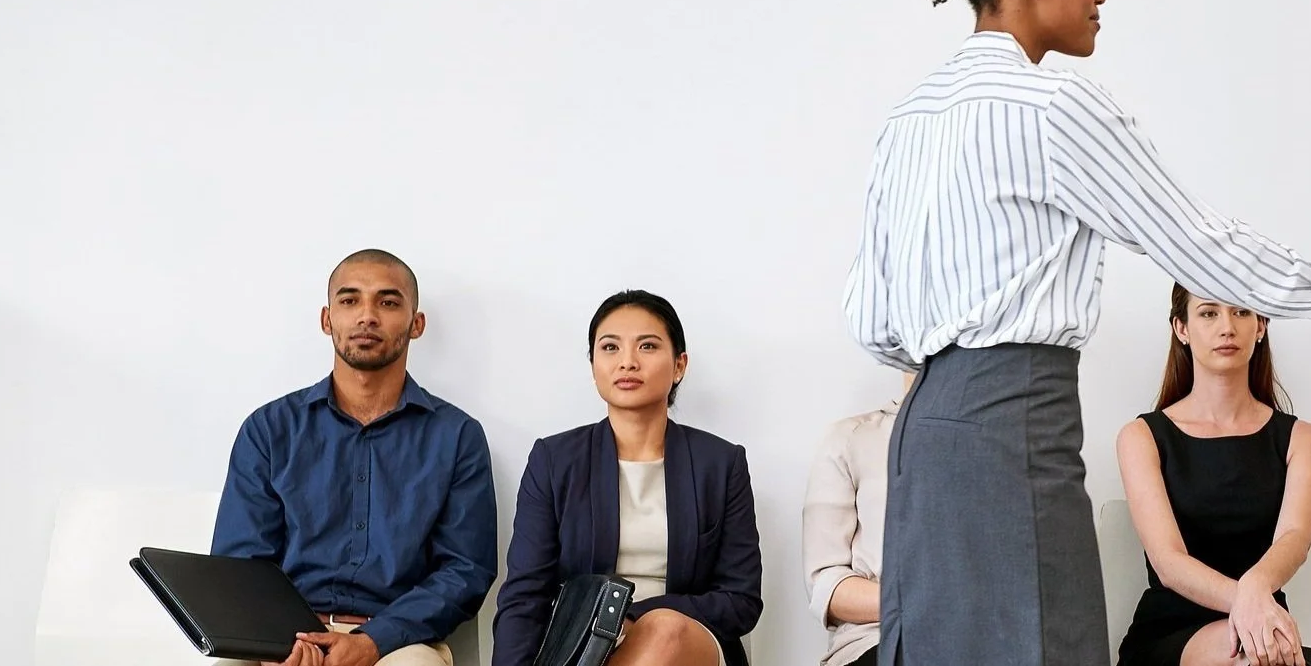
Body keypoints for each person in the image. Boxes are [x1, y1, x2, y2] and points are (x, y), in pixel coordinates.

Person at [844, 0, 1311, 666]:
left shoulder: (906, 119)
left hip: (925, 437)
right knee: (1042, 647)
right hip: (1011, 430)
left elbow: (872, 322)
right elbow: (1202, 248)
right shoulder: (1052, 107)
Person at [212, 249, 497, 666]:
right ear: (327, 319)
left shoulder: (457, 437)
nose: (367, 316)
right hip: (284, 636)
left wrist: (372, 640)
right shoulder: (269, 429)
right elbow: (240, 563)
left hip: (398, 643)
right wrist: (275, 639)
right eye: (349, 300)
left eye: (388, 302)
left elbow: (465, 570)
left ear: (416, 324)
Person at [493, 290, 763, 666]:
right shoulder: (553, 461)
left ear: (679, 365)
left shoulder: (720, 464)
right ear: (593, 367)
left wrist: (631, 615)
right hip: (582, 652)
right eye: (610, 348)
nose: (628, 362)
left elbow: (740, 599)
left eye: (647, 346)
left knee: (665, 630)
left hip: (691, 641)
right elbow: (525, 595)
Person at [1117, 286, 1311, 666]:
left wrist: (1256, 594)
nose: (1227, 327)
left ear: (1261, 325)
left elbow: (1295, 539)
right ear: (1181, 328)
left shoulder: (1303, 439)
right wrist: (1250, 601)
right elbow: (1168, 562)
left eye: (1241, 312)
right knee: (1251, 657)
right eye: (1208, 313)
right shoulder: (1142, 437)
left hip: (1264, 627)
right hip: (1172, 631)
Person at [799, 373, 909, 666]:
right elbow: (827, 586)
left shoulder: (1009, 437)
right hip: (878, 639)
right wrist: (921, 603)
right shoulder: (852, 437)